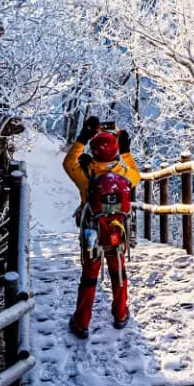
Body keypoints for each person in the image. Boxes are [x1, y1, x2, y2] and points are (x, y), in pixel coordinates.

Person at [62, 115, 141, 338]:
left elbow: (68, 163)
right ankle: (120, 314)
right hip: (117, 232)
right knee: (119, 272)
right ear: (115, 150)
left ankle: (82, 322)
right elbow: (137, 174)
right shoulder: (124, 176)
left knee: (89, 277)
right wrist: (125, 151)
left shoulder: (86, 174)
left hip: (91, 234)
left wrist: (82, 139)